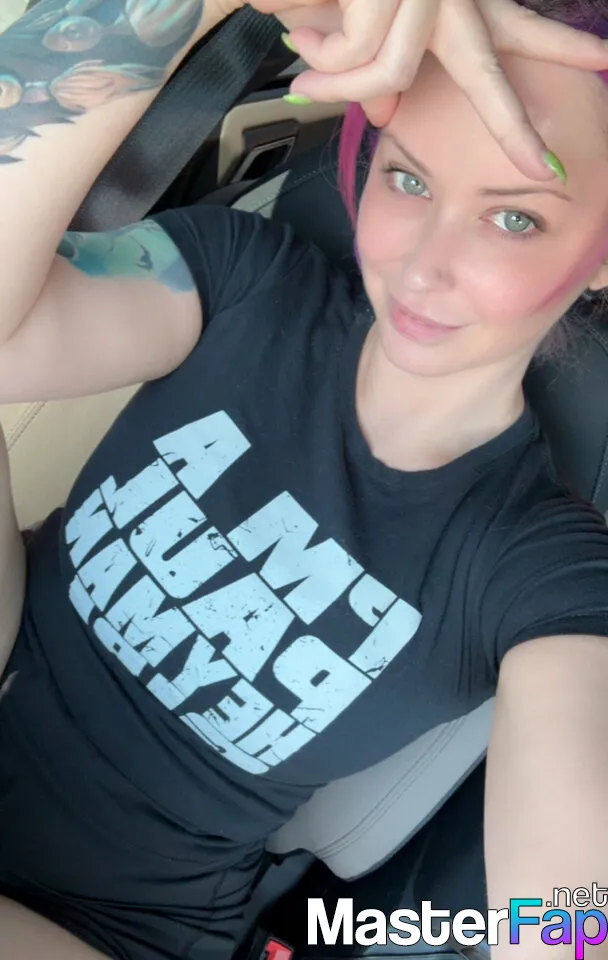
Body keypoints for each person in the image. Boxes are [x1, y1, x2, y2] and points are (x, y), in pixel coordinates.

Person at [1, 0, 608, 958]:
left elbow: (569, 913)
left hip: (103, 927)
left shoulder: (541, 568)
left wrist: (566, 935)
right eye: (408, 177)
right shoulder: (239, 281)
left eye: (513, 216)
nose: (423, 266)